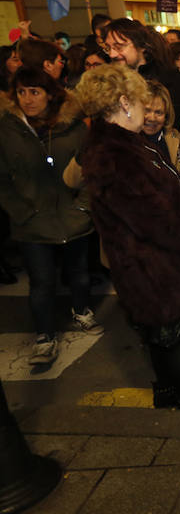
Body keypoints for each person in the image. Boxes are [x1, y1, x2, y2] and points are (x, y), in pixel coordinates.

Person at [75, 64, 180, 411]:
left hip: (147, 259)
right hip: (153, 262)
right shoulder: (115, 154)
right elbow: (152, 219)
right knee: (175, 333)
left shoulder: (122, 143)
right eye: (139, 102)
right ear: (124, 103)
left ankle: (166, 390)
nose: (145, 110)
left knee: (161, 332)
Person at [0, 68, 102, 365]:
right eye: (21, 92)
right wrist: (20, 212)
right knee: (41, 281)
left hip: (72, 215)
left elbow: (91, 169)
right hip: (32, 220)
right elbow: (2, 179)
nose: (28, 99)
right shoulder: (8, 129)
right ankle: (44, 336)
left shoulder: (72, 127)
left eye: (35, 92)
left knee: (79, 273)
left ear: (49, 94)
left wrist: (83, 207)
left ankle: (81, 310)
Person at [101, 18, 180, 127]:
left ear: (141, 46)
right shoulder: (108, 84)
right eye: (108, 48)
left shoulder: (173, 82)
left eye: (119, 47)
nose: (112, 54)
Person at [141, 81, 180, 204]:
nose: (152, 118)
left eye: (158, 112)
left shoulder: (173, 136)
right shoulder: (129, 141)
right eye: (146, 111)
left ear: (166, 115)